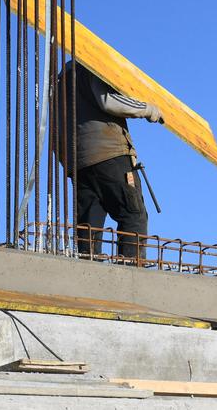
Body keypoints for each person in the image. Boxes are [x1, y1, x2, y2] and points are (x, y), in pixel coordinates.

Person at [56, 60, 164, 261]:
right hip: (110, 154)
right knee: (133, 215)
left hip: (79, 163)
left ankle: (88, 272)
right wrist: (148, 109)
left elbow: (54, 128)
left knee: (89, 224)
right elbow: (109, 100)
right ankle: (130, 276)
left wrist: (68, 162)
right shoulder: (90, 64)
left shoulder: (60, 82)